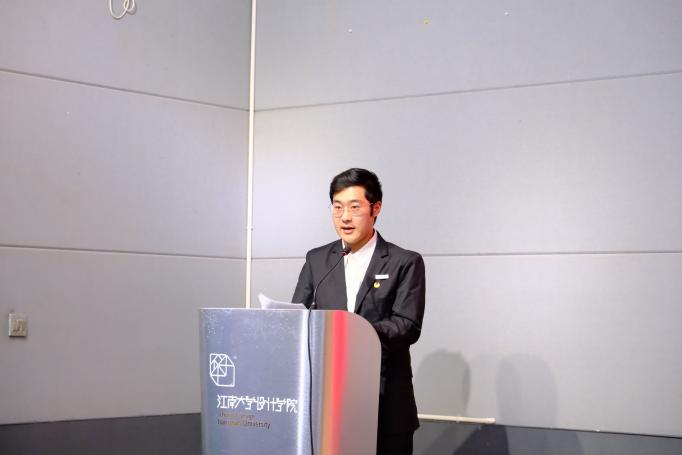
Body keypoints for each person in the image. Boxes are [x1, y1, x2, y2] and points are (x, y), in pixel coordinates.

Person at [292, 168, 426, 455]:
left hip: (385, 402)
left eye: (354, 207)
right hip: (327, 403)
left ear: (375, 208)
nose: (345, 217)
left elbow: (407, 325)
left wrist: (352, 331)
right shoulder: (317, 260)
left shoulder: (404, 262)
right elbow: (297, 318)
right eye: (337, 207)